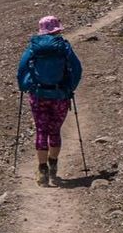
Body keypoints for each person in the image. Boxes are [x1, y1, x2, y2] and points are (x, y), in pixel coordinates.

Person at [16, 15, 83, 186]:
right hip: (60, 95)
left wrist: (24, 86)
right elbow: (77, 68)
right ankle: (53, 165)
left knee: (41, 131)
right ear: (57, 29)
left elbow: (22, 68)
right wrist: (70, 88)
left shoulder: (34, 47)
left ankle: (42, 171)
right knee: (54, 131)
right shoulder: (64, 46)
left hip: (38, 95)